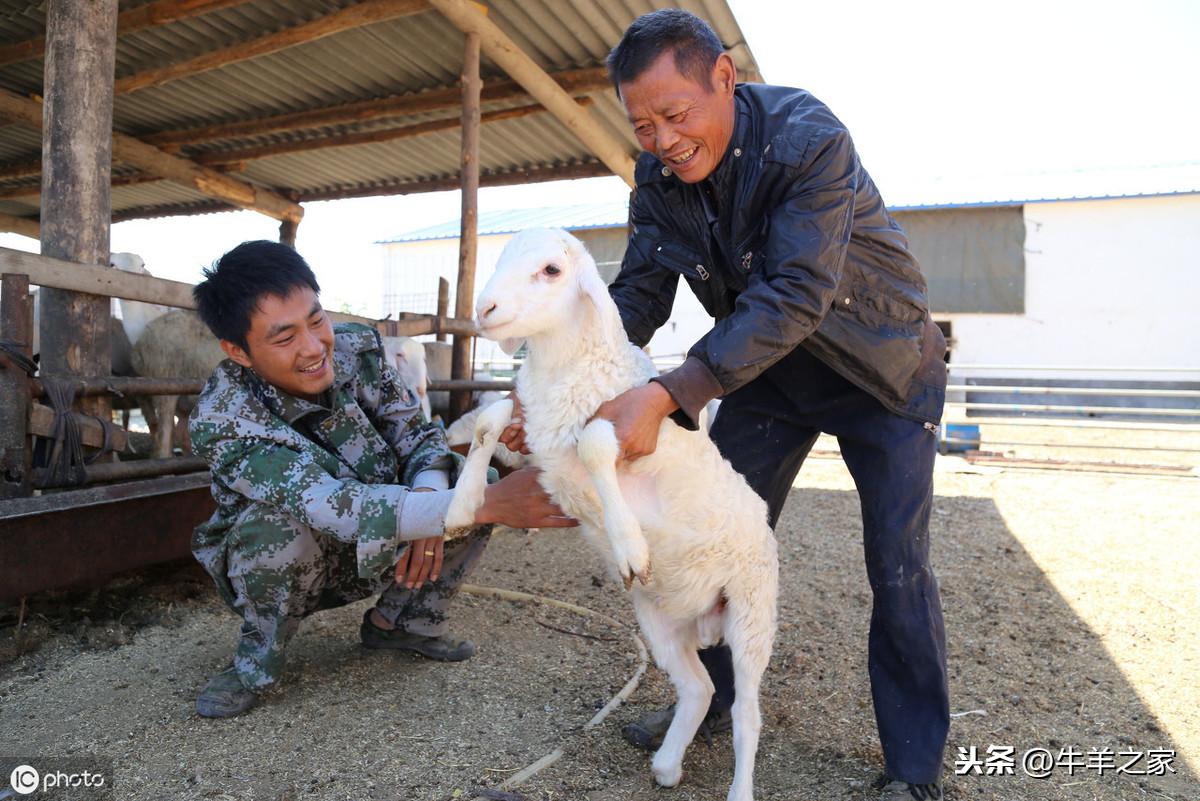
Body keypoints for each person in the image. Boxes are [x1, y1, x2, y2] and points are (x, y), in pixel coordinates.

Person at [504, 10, 949, 800]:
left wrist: (668, 393)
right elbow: (634, 297)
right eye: (643, 126)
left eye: (676, 115)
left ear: (724, 80)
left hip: (880, 371)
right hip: (768, 375)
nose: (664, 140)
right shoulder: (658, 182)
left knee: (897, 563)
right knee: (704, 529)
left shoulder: (808, 139)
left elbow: (795, 291)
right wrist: (557, 384)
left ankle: (913, 769)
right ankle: (703, 699)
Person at [188, 240, 574, 719]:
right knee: (275, 528)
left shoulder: (358, 350)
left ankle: (402, 621)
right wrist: (474, 507)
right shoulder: (225, 419)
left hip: (373, 540)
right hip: (294, 558)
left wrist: (432, 504)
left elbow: (419, 438)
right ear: (238, 351)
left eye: (316, 319)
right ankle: (254, 662)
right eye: (284, 338)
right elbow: (330, 505)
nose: (313, 347)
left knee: (465, 475)